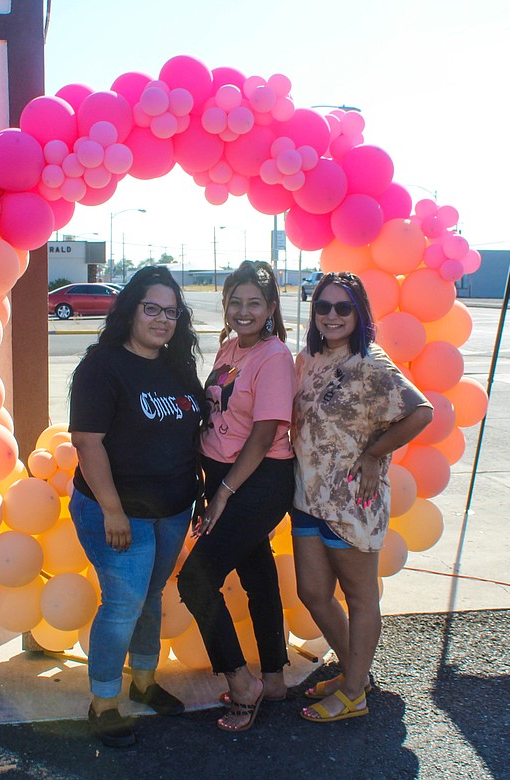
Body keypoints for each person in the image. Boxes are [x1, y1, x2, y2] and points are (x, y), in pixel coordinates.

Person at [68, 266, 206, 748]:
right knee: (124, 603)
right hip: (116, 510)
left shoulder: (177, 368)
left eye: (171, 311)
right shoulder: (102, 366)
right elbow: (87, 442)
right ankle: (103, 702)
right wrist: (111, 510)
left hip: (171, 509)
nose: (162, 319)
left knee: (150, 597)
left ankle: (144, 681)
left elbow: (196, 432)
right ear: (130, 310)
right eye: (152, 308)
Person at [291, 272, 433, 723]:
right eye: (323, 307)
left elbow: (421, 411)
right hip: (306, 496)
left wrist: (375, 453)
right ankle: (357, 671)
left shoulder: (371, 363)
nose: (331, 315)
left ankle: (354, 692)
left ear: (359, 314)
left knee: (358, 595)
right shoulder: (309, 358)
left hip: (352, 501)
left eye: (343, 307)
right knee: (313, 592)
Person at [177, 260, 296, 733]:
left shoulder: (274, 355)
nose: (243, 311)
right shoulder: (230, 348)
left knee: (195, 580)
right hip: (224, 473)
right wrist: (212, 483)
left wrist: (224, 493)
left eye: (254, 303)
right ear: (225, 305)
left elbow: (265, 432)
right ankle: (275, 678)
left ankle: (242, 684)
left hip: (259, 477)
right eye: (235, 302)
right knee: (257, 572)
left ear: (269, 309)